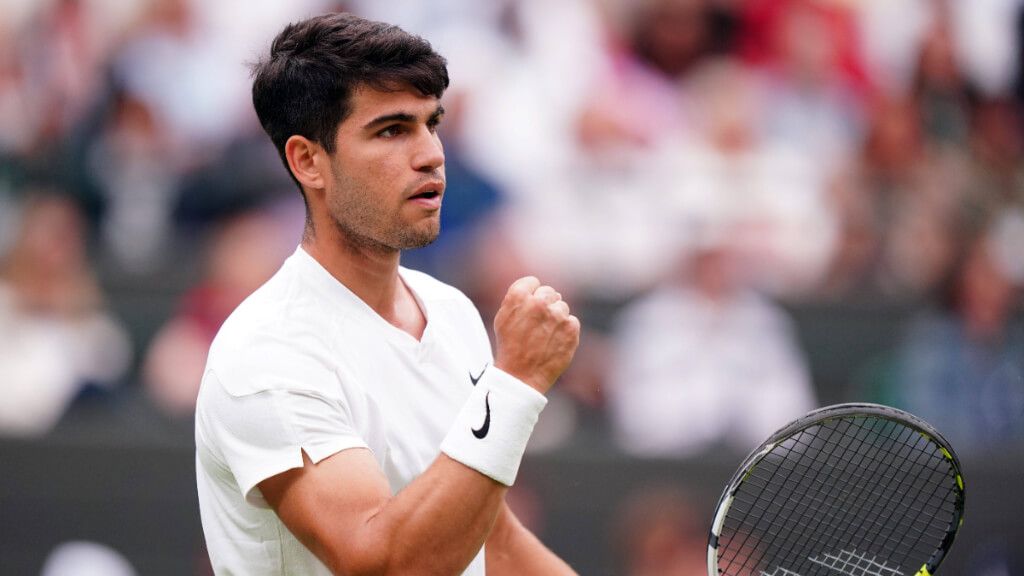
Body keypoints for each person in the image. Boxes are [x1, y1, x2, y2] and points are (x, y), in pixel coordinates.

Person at [194, 12, 580, 576]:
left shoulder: (451, 314)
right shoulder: (267, 353)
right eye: (392, 130)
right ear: (308, 161)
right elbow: (383, 565)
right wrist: (516, 381)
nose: (431, 155)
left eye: (432, 124)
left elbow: (494, 544)